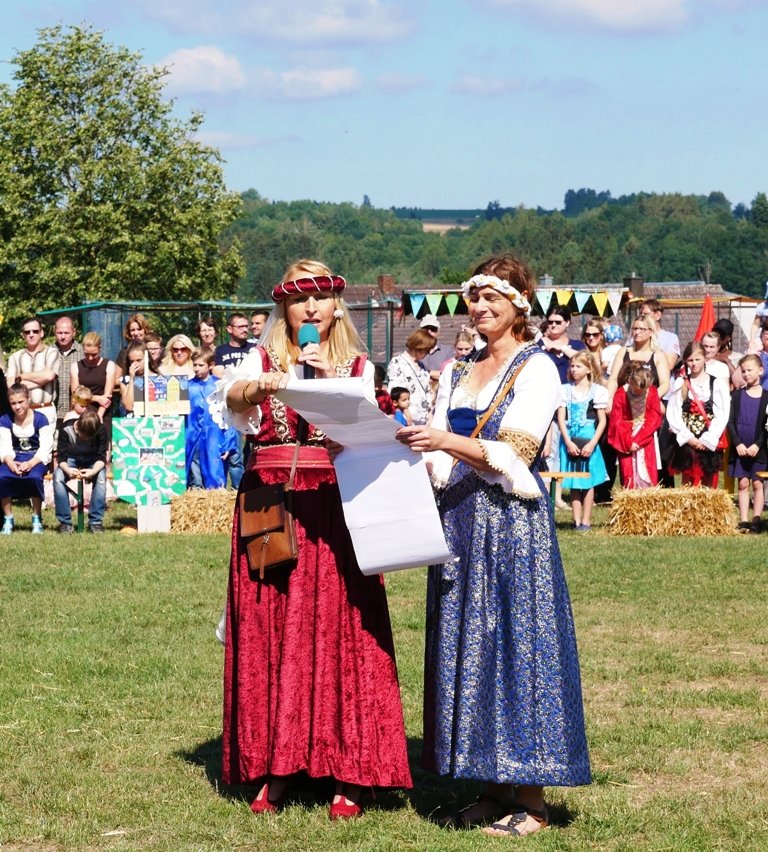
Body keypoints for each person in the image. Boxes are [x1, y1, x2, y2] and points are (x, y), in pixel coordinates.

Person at [397, 254, 590, 837]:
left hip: (510, 527)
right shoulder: (456, 371)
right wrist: (407, 445)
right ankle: (487, 787)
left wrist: (441, 439)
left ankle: (531, 801)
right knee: (470, 646)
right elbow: (436, 453)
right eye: (474, 299)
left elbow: (514, 453)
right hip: (457, 521)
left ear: (519, 306)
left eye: (493, 301)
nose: (479, 309)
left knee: (516, 645)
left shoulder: (540, 369)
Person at [212, 258, 411, 819]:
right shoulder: (261, 359)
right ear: (284, 308)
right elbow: (231, 405)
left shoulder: (357, 365)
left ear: (336, 305)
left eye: (320, 297)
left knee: (336, 631)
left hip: (333, 507)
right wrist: (259, 385)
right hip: (270, 505)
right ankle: (277, 765)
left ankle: (349, 768)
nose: (310, 308)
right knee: (272, 632)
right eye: (300, 300)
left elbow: (372, 431)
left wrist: (328, 381)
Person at [557, 351, 608, 531]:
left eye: (578, 366)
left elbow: (602, 421)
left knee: (588, 480)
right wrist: (567, 441)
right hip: (570, 439)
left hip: (588, 438)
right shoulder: (565, 390)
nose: (574, 369)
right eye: (572, 366)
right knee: (574, 481)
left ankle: (586, 520)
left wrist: (593, 443)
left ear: (588, 369)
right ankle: (576, 520)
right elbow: (561, 419)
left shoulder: (598, 391)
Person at [666, 341, 729, 488]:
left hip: (708, 437)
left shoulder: (716, 383)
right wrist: (688, 437)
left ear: (704, 358)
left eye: (697, 359)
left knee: (708, 479)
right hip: (688, 438)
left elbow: (722, 413)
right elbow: (674, 412)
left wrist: (709, 437)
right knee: (688, 479)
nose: (694, 364)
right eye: (690, 360)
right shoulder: (681, 383)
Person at [0, 383, 54, 534]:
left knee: (35, 477)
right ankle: (8, 518)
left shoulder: (41, 419)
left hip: (36, 458)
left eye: (20, 402)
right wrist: (10, 463)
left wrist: (30, 463)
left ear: (28, 399)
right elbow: (4, 447)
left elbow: (46, 447)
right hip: (13, 458)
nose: (17, 407)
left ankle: (37, 517)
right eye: (13, 403)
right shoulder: (5, 420)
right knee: (1, 477)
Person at [727, 354, 768, 533]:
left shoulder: (766, 397)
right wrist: (737, 443)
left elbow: (766, 427)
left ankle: (756, 519)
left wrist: (758, 445)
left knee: (758, 483)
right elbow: (730, 422)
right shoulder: (736, 396)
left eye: (749, 370)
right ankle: (743, 520)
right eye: (743, 371)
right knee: (743, 483)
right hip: (740, 448)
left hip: (758, 449)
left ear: (761, 371)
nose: (745, 374)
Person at [607, 362, 663, 488]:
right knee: (628, 471)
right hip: (625, 436)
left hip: (645, 436)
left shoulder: (652, 392)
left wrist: (639, 440)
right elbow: (616, 421)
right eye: (635, 391)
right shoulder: (621, 393)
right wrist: (628, 442)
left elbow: (654, 418)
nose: (638, 394)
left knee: (648, 469)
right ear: (630, 381)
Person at [186, 349, 237, 489]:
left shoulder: (219, 386)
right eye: (194, 364)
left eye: (200, 365)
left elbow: (228, 414)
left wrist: (229, 441)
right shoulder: (188, 386)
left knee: (215, 467)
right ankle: (195, 492)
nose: (196, 368)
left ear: (211, 365)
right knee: (194, 468)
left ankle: (215, 495)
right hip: (192, 435)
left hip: (214, 435)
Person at [53, 409, 108, 533]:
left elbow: (102, 457)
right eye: (83, 436)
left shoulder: (101, 430)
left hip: (93, 460)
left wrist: (93, 471)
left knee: (100, 478)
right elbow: (61, 457)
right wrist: (67, 470)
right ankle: (65, 522)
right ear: (77, 426)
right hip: (70, 460)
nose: (85, 439)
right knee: (58, 477)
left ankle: (96, 522)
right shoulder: (66, 428)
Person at [5, 316, 60, 427]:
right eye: (27, 332)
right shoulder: (14, 357)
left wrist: (21, 377)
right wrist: (41, 381)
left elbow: (49, 376)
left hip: (46, 409)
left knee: (47, 445)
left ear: (42, 333)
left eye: (35, 331)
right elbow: (11, 385)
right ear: (22, 335)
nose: (31, 334)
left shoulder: (52, 352)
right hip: (22, 411)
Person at [607, 315, 671, 407]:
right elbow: (613, 379)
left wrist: (650, 398)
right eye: (635, 328)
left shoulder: (658, 355)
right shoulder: (623, 352)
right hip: (623, 404)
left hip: (648, 406)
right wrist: (609, 399)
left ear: (651, 332)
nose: (637, 332)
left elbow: (665, 384)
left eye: (642, 329)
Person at [385, 329, 434, 424]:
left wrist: (430, 413)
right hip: (407, 419)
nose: (428, 354)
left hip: (424, 419)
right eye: (426, 350)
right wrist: (406, 413)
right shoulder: (398, 362)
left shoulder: (421, 366)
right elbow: (396, 391)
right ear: (418, 347)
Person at [71, 332, 116, 425]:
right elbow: (76, 396)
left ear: (100, 349)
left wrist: (99, 416)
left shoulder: (109, 365)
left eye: (94, 354)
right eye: (86, 354)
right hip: (82, 411)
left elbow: (107, 397)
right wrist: (97, 398)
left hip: (103, 411)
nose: (90, 358)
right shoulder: (75, 366)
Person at [53, 315, 83, 429]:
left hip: (77, 413)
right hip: (54, 413)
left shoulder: (83, 353)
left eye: (66, 333)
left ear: (74, 332)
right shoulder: (49, 353)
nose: (62, 337)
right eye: (59, 333)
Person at [639, 299, 681, 370]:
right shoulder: (636, 336)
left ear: (658, 315)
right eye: (641, 314)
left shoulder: (670, 338)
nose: (642, 317)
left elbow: (669, 365)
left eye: (646, 314)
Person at [212, 312, 253, 378]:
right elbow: (218, 376)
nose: (245, 330)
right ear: (229, 329)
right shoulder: (220, 350)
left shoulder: (253, 348)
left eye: (246, 326)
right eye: (241, 327)